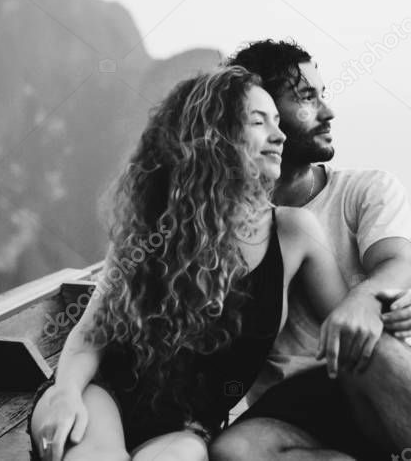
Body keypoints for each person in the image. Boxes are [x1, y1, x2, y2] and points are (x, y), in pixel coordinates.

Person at [27, 66, 357, 461]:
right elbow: (91, 336)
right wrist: (64, 395)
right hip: (97, 394)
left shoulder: (294, 234)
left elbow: (351, 326)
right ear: (216, 137)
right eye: (258, 121)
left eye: (277, 121)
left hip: (186, 431)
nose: (280, 134)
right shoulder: (151, 227)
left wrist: (377, 298)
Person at [210, 40, 411, 460]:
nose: (327, 111)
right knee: (233, 452)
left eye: (322, 95)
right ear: (259, 116)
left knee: (371, 343)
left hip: (374, 386)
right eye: (307, 98)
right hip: (290, 409)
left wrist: (365, 300)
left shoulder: (366, 190)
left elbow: (394, 264)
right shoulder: (225, 221)